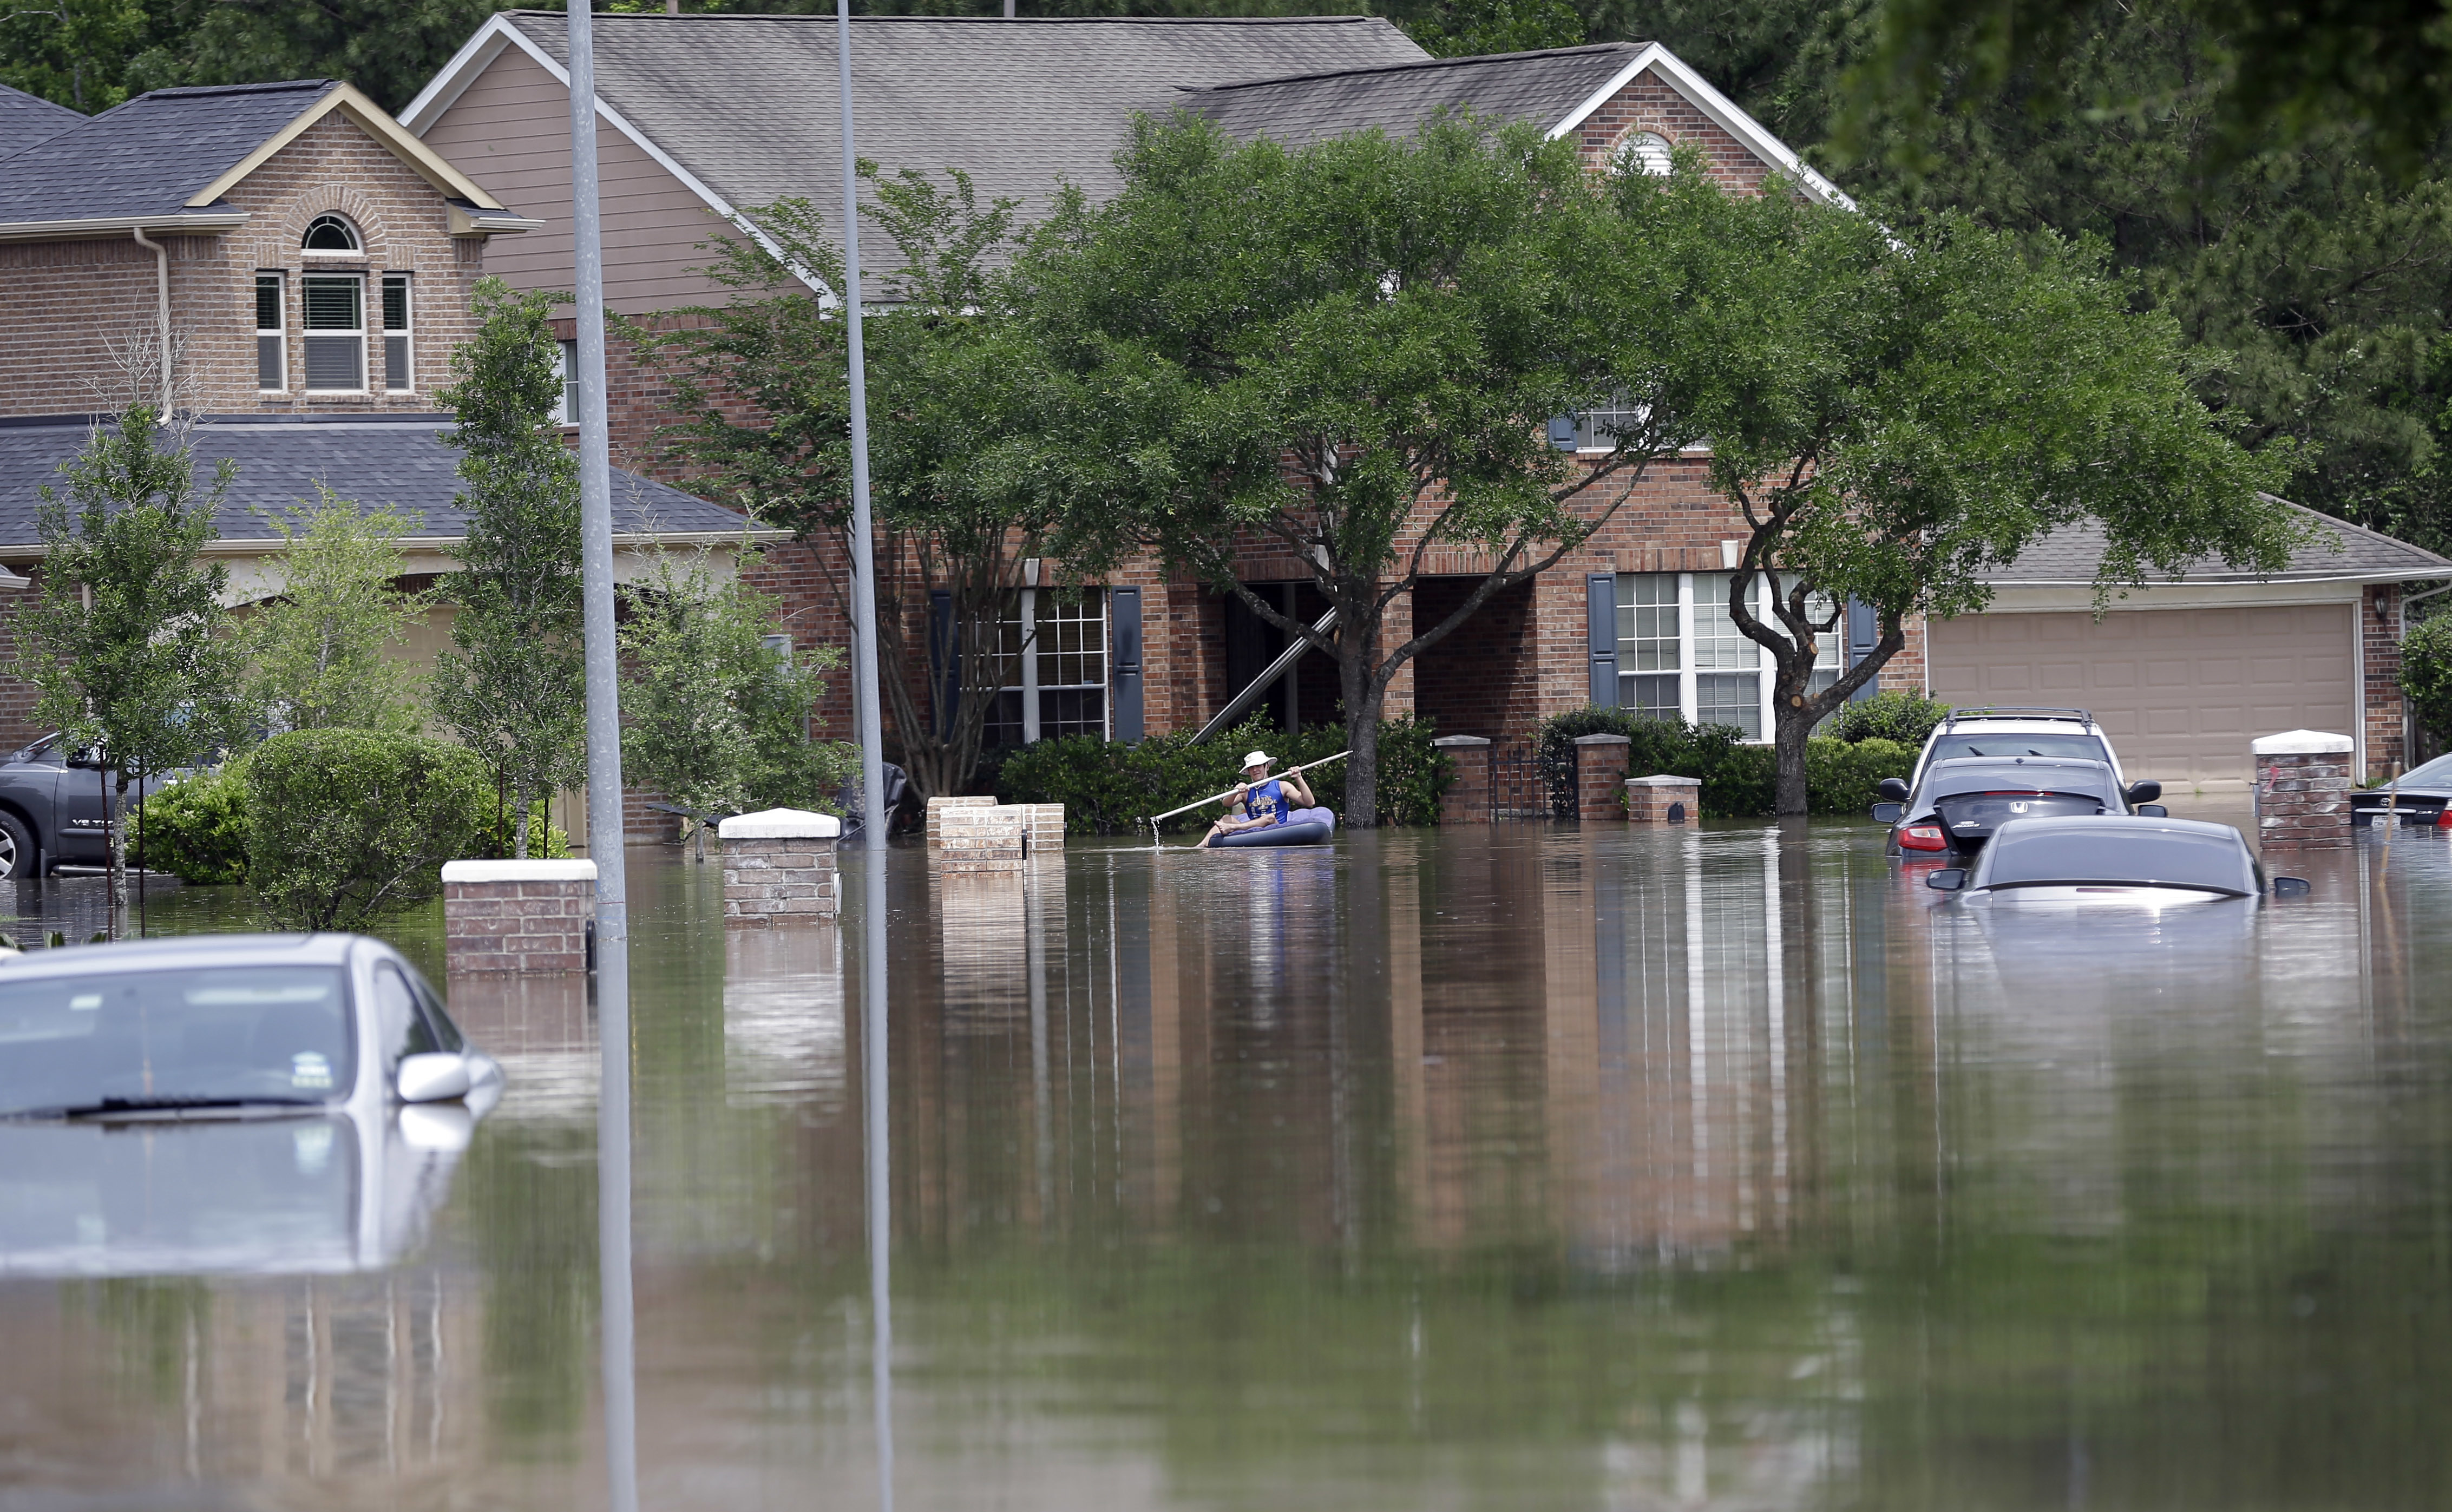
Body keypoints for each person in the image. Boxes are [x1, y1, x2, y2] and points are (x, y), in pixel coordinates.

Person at [1198, 751, 1327, 847]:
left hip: (1277, 829)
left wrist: (1299, 778)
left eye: (1259, 766)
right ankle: (1201, 847)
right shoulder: (1246, 791)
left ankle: (1233, 829)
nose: (1255, 770)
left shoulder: (1282, 786)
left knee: (1269, 817)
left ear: (1267, 767)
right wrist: (1235, 791)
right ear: (1248, 771)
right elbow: (1226, 803)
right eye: (1251, 768)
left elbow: (1310, 802)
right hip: (1253, 831)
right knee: (1227, 818)